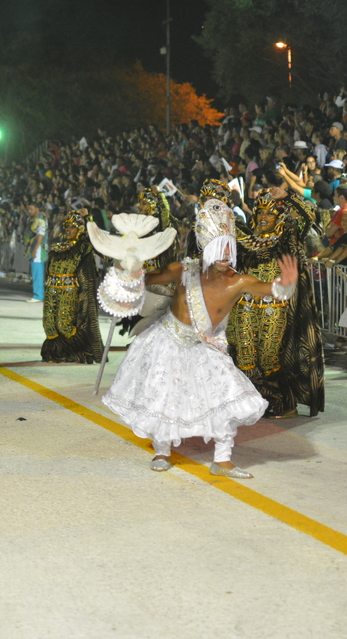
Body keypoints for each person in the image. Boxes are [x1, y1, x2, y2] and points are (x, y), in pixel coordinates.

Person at [97, 200, 298, 477]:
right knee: (162, 397)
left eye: (230, 247)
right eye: (220, 247)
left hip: (205, 345)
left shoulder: (239, 281)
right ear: (206, 246)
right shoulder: (183, 270)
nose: (226, 254)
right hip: (165, 341)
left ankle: (222, 460)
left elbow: (272, 290)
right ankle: (162, 451)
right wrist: (127, 267)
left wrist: (286, 284)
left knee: (225, 397)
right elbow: (145, 279)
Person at [229, 174, 325, 418]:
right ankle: (253, 401)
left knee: (270, 357)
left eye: (270, 213)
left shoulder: (288, 234)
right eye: (260, 212)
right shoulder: (243, 237)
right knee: (245, 356)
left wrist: (289, 197)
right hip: (244, 306)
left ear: (279, 216)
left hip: (276, 307)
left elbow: (309, 216)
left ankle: (284, 403)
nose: (264, 217)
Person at [40, 210, 104, 364]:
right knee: (49, 324)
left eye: (72, 227)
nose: (68, 229)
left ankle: (76, 353)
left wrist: (87, 218)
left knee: (64, 325)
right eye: (66, 226)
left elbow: (96, 239)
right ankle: (55, 354)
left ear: (80, 229)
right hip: (51, 289)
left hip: (69, 291)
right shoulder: (58, 247)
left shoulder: (83, 246)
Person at [24, 202, 48, 303]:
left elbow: (40, 236)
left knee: (37, 272)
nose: (29, 211)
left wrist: (34, 250)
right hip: (36, 248)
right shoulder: (35, 219)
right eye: (28, 209)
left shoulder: (40, 220)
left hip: (38, 249)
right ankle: (39, 294)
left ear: (37, 209)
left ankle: (38, 296)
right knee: (37, 272)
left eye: (31, 209)